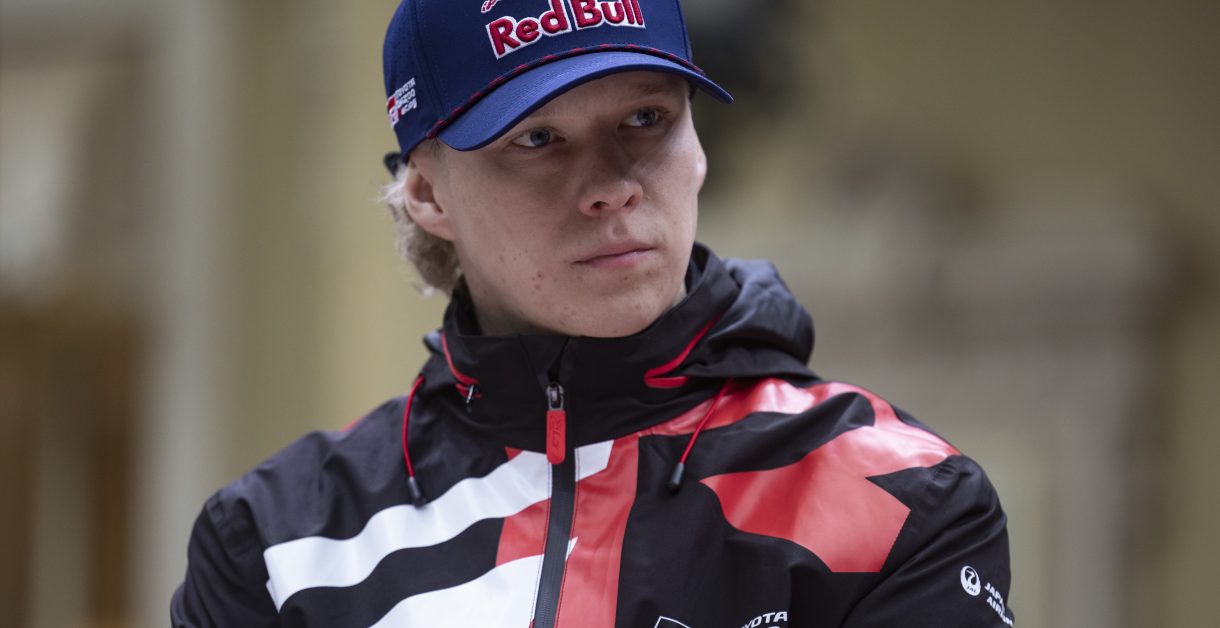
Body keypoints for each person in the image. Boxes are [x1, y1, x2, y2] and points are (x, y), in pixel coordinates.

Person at [172, 1, 1015, 626]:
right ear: (427, 193)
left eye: (646, 119)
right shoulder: (280, 541)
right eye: (538, 139)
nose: (612, 184)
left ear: (697, 145)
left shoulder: (902, 496)